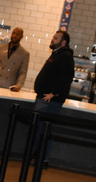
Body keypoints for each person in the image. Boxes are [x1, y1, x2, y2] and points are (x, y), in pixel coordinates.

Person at [32, 30, 75, 163]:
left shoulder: (65, 56)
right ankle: (38, 157)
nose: (52, 40)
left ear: (63, 42)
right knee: (41, 129)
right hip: (45, 99)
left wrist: (54, 93)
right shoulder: (57, 54)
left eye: (56, 38)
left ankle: (40, 159)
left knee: (43, 130)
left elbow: (67, 78)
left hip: (50, 101)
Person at [0, 27, 30, 91]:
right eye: (13, 33)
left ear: (21, 37)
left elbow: (23, 73)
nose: (14, 36)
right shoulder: (0, 47)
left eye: (17, 34)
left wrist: (18, 86)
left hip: (9, 86)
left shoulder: (24, 54)